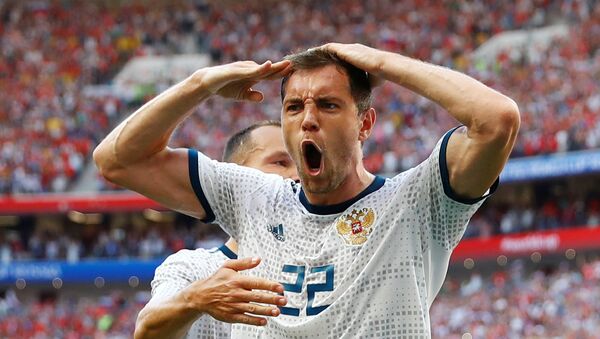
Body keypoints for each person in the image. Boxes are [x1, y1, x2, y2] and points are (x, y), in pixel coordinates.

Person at [94, 43, 519, 337]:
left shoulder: (417, 202)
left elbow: (497, 120)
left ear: (365, 124)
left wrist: (382, 63)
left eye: (329, 105)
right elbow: (118, 160)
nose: (308, 119)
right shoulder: (252, 197)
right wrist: (200, 84)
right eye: (294, 107)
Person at [134, 120, 298, 339]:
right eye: (280, 162)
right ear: (235, 177)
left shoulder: (328, 263)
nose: (298, 175)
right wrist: (196, 300)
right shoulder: (194, 268)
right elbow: (147, 331)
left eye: (304, 164)